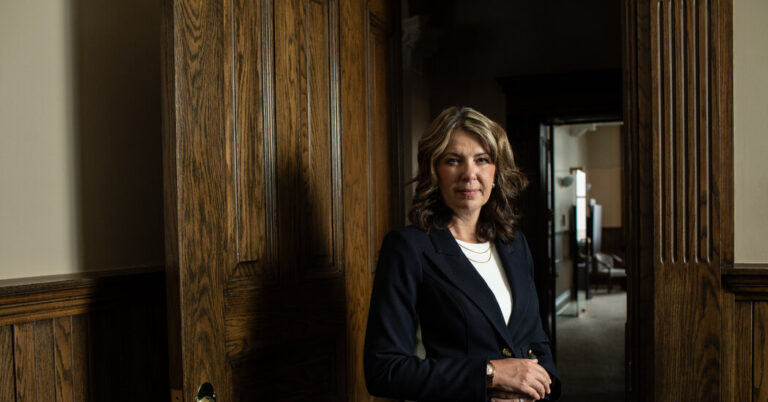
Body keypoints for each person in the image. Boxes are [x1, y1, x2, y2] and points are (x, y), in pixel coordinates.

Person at [364, 106, 561, 402]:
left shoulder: (514, 243)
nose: (469, 174)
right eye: (453, 160)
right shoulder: (409, 248)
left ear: (496, 172)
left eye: (482, 160)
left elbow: (536, 340)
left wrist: (545, 387)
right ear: (435, 171)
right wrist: (490, 374)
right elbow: (384, 370)